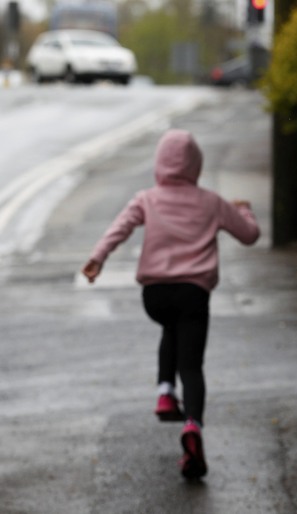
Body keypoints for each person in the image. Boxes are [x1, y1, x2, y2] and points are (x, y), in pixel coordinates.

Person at [81, 129, 260, 480]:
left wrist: (97, 258)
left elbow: (120, 228)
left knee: (169, 328)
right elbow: (249, 235)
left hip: (156, 296)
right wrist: (245, 211)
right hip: (193, 294)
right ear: (196, 165)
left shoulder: (146, 198)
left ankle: (165, 392)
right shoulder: (211, 202)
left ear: (159, 163)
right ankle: (192, 425)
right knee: (191, 365)